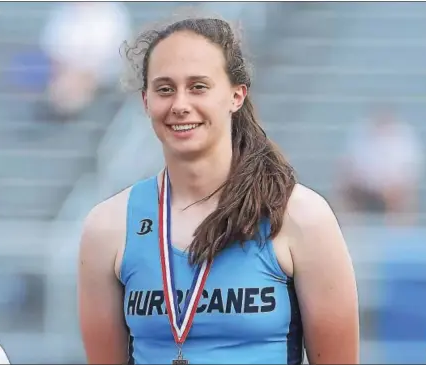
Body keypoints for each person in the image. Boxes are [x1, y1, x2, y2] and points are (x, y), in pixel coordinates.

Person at [78, 15, 359, 365]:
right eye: (165, 88)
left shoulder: (300, 216)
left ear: (236, 95)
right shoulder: (108, 227)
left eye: (198, 86)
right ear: (146, 101)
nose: (180, 104)